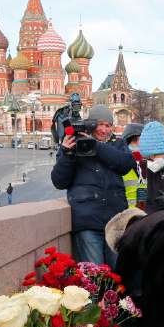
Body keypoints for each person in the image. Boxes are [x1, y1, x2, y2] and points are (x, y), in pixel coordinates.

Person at [50, 104, 134, 267]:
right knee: (94, 275)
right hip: (87, 222)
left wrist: (95, 145)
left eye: (108, 125)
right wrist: (67, 154)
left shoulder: (118, 144)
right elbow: (59, 181)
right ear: (91, 124)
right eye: (100, 124)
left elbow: (125, 164)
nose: (104, 130)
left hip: (115, 222)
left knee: (117, 274)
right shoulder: (73, 143)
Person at [120, 123, 147, 209]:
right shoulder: (120, 164)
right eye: (134, 140)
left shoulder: (150, 164)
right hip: (126, 215)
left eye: (142, 140)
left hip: (145, 214)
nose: (138, 144)